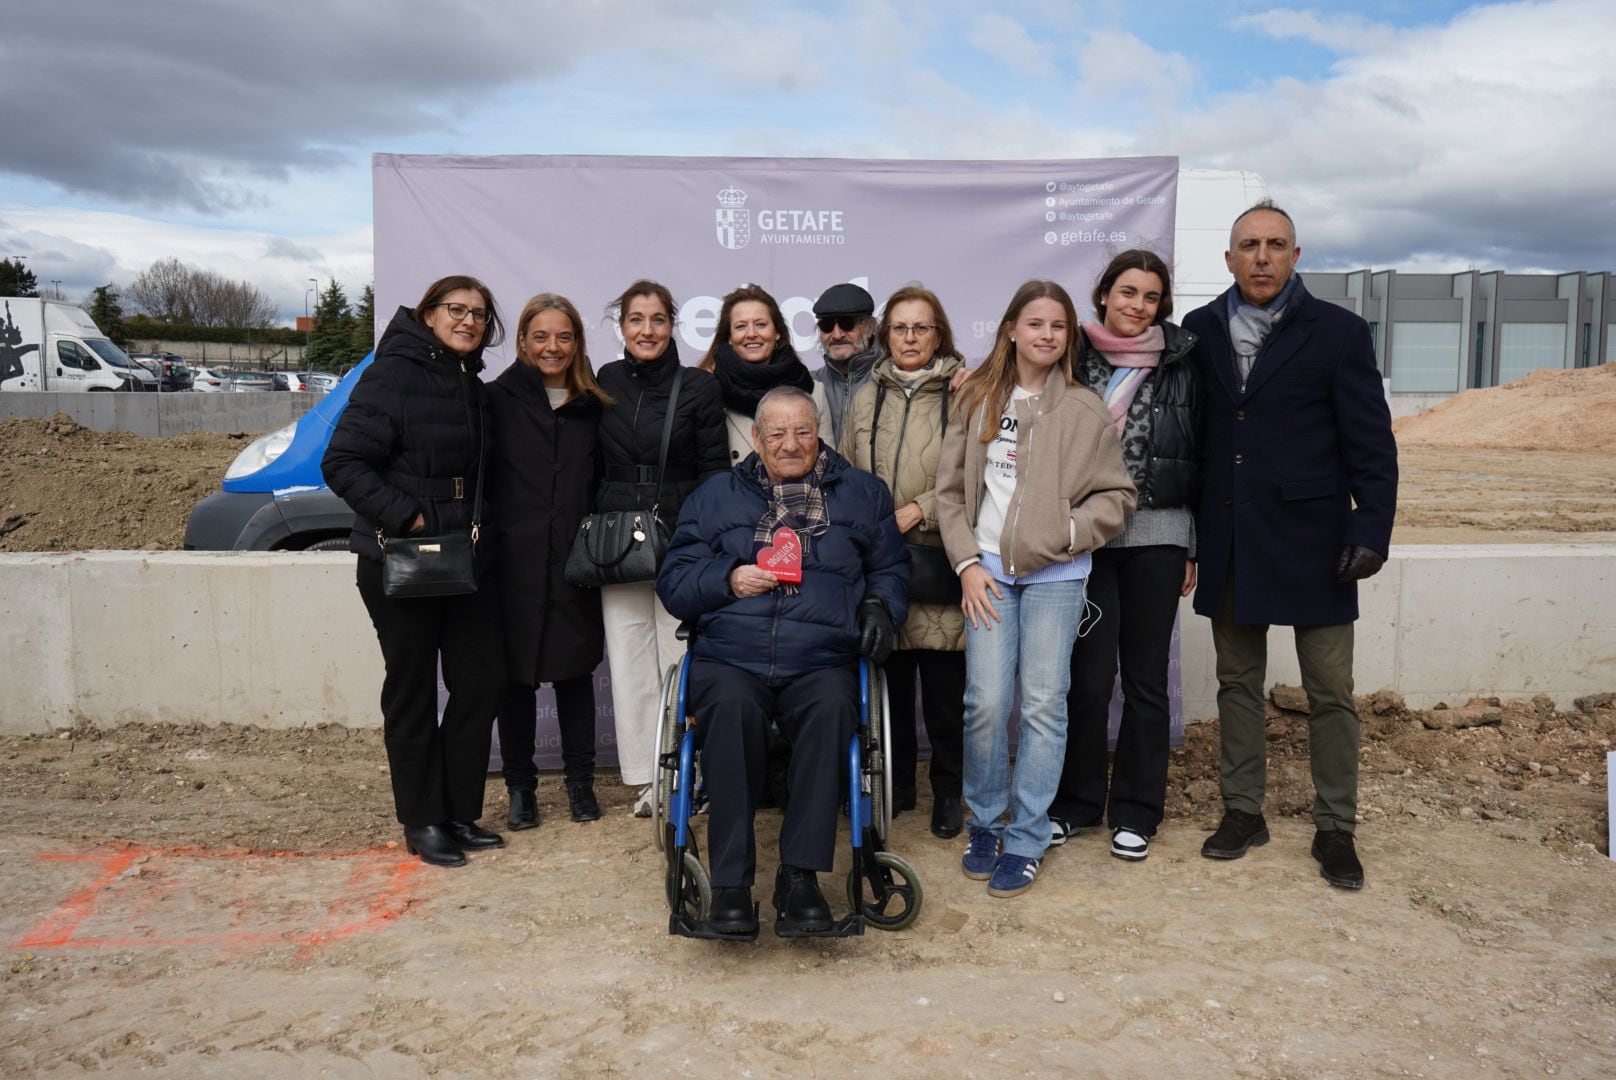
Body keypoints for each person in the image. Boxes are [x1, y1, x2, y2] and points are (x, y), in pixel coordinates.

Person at [1188, 200, 1398, 890]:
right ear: (1228, 258)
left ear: (1296, 255)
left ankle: (1336, 827)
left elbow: (1372, 444)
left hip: (1318, 542)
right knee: (1238, 682)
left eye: (1276, 244)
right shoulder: (1199, 331)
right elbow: (1194, 443)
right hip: (1232, 537)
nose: (1262, 257)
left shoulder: (1338, 332)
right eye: (1248, 245)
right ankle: (1243, 811)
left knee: (1330, 690)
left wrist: (1371, 529)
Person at [657, 386, 908, 936]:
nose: (790, 444)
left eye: (802, 431)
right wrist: (726, 578)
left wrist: (879, 608)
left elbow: (891, 568)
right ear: (756, 438)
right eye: (777, 433)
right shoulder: (713, 496)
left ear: (819, 432)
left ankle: (799, 877)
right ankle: (729, 883)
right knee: (727, 710)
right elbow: (674, 582)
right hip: (732, 655)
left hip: (820, 655)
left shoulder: (863, 494)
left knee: (830, 711)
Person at [937, 280, 1136, 898]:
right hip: (988, 573)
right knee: (988, 702)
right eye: (1035, 323)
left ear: (1067, 335)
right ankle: (987, 824)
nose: (1047, 335)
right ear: (1012, 330)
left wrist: (1072, 531)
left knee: (1045, 706)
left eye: (1058, 325)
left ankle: (1026, 837)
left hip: (1057, 578)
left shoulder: (1085, 408)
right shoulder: (975, 398)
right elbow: (948, 494)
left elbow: (1118, 495)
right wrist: (968, 562)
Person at [322, 275, 507, 868]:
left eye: (479, 314)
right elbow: (343, 462)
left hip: (465, 558)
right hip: (401, 559)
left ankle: (457, 811)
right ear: (428, 314)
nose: (468, 321)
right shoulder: (393, 374)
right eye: (456, 310)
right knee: (412, 690)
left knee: (480, 682)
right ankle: (422, 819)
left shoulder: (471, 385)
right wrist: (410, 518)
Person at [1049, 250, 1201, 862]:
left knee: (1145, 680)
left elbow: (1202, 455)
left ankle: (1137, 811)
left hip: (1159, 537)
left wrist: (1193, 543)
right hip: (1085, 538)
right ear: (1104, 295)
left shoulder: (1182, 362)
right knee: (1086, 680)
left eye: (1151, 296)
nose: (1138, 305)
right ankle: (1077, 804)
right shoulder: (1070, 358)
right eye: (1127, 292)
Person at [838, 284, 967, 840]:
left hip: (942, 562)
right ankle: (896, 787)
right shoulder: (867, 395)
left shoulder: (967, 392)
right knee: (888, 692)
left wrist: (921, 509)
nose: (910, 338)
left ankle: (948, 794)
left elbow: (981, 477)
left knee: (945, 700)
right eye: (899, 328)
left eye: (921, 328)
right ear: (882, 334)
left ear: (939, 335)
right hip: (880, 570)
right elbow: (843, 469)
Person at [595, 280, 727, 817]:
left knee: (680, 659)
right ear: (622, 326)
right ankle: (649, 776)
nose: (646, 330)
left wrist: (708, 535)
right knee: (628, 659)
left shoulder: (698, 386)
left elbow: (715, 468)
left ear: (672, 325)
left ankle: (688, 773)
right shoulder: (603, 380)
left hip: (682, 535)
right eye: (636, 320)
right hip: (616, 538)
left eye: (657, 320)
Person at [487, 293, 611, 829]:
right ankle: (521, 789)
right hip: (510, 564)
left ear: (578, 343)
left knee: (574, 674)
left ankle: (581, 785)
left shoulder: (594, 407)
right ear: (521, 341)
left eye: (563, 337)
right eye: (540, 336)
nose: (552, 347)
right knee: (514, 681)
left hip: (574, 563)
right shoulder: (495, 401)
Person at [699, 284, 832, 465]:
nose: (752, 334)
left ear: (777, 332)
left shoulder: (813, 391)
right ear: (729, 337)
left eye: (761, 324)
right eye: (740, 326)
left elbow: (827, 463)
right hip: (735, 492)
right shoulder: (709, 390)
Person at [811, 282, 879, 448]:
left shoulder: (892, 378)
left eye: (847, 323)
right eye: (827, 326)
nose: (837, 334)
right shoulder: (809, 384)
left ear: (869, 328)